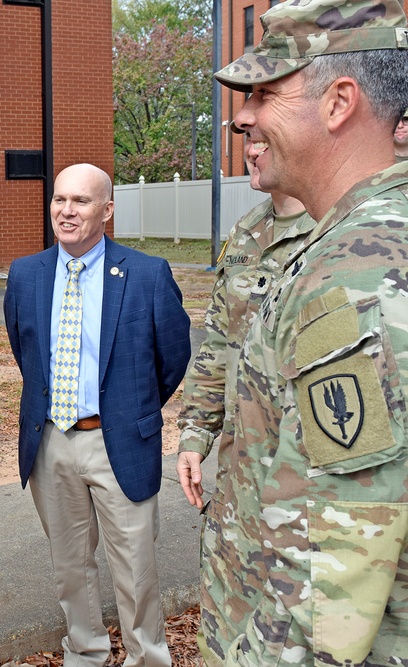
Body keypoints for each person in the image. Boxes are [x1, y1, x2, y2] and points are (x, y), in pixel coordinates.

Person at [212, 0, 408, 663]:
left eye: (266, 92)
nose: (243, 116)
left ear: (338, 103)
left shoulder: (356, 276)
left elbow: (333, 561)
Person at [3, 163, 190, 667]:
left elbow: (171, 358)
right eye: (60, 199)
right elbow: (27, 354)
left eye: (81, 201)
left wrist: (132, 410)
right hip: (51, 443)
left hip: (119, 442)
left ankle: (146, 657)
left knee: (136, 566)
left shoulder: (148, 274)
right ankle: (84, 653)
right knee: (70, 564)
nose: (67, 211)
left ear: (107, 210)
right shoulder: (26, 274)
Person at [175, 135, 314, 664]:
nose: (251, 150)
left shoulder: (348, 234)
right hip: (239, 475)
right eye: (247, 143)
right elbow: (217, 343)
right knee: (227, 624)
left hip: (306, 483)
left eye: (262, 140)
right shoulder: (247, 232)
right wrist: (195, 434)